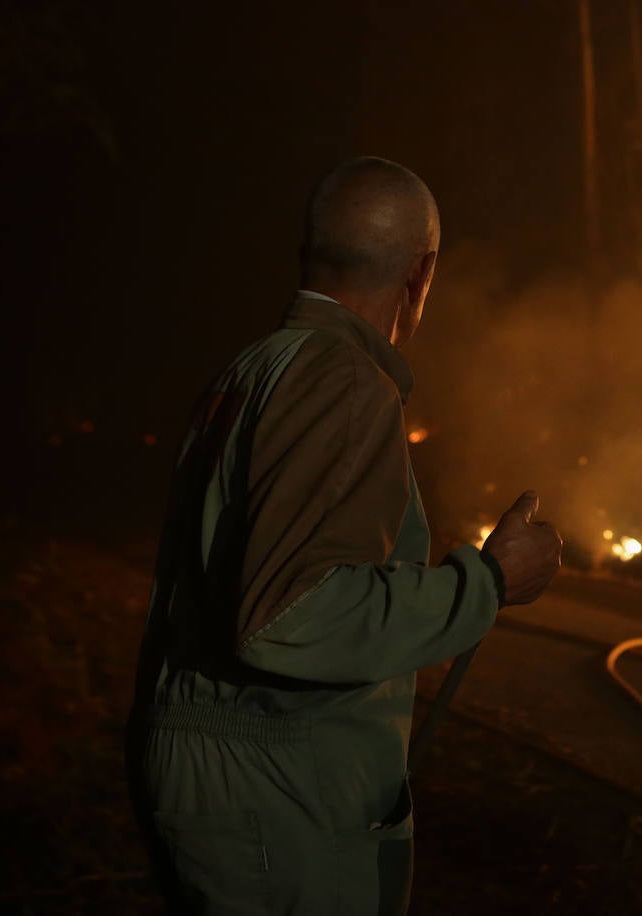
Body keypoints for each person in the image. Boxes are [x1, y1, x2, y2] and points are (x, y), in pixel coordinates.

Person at [125, 156, 562, 914]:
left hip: (213, 768)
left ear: (310, 252)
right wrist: (486, 585)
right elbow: (289, 616)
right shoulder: (343, 380)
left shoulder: (253, 368)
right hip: (280, 788)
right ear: (420, 274)